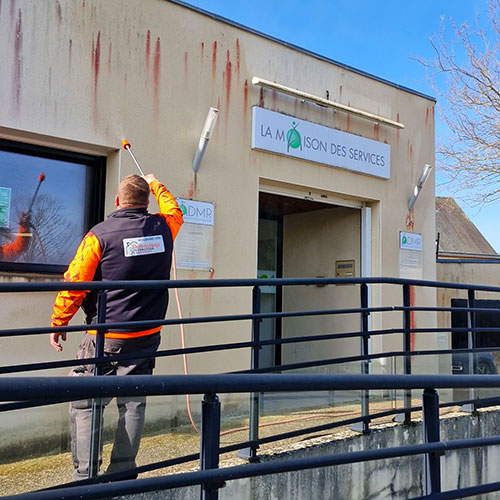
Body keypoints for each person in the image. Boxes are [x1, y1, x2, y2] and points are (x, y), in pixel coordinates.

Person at [49, 173, 183, 480]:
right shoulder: (163, 228)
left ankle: (86, 476)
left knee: (86, 403)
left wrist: (59, 322)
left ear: (117, 201)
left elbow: (75, 284)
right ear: (147, 201)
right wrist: (156, 183)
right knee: (133, 402)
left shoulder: (100, 235)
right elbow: (175, 211)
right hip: (147, 335)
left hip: (105, 336)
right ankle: (122, 472)